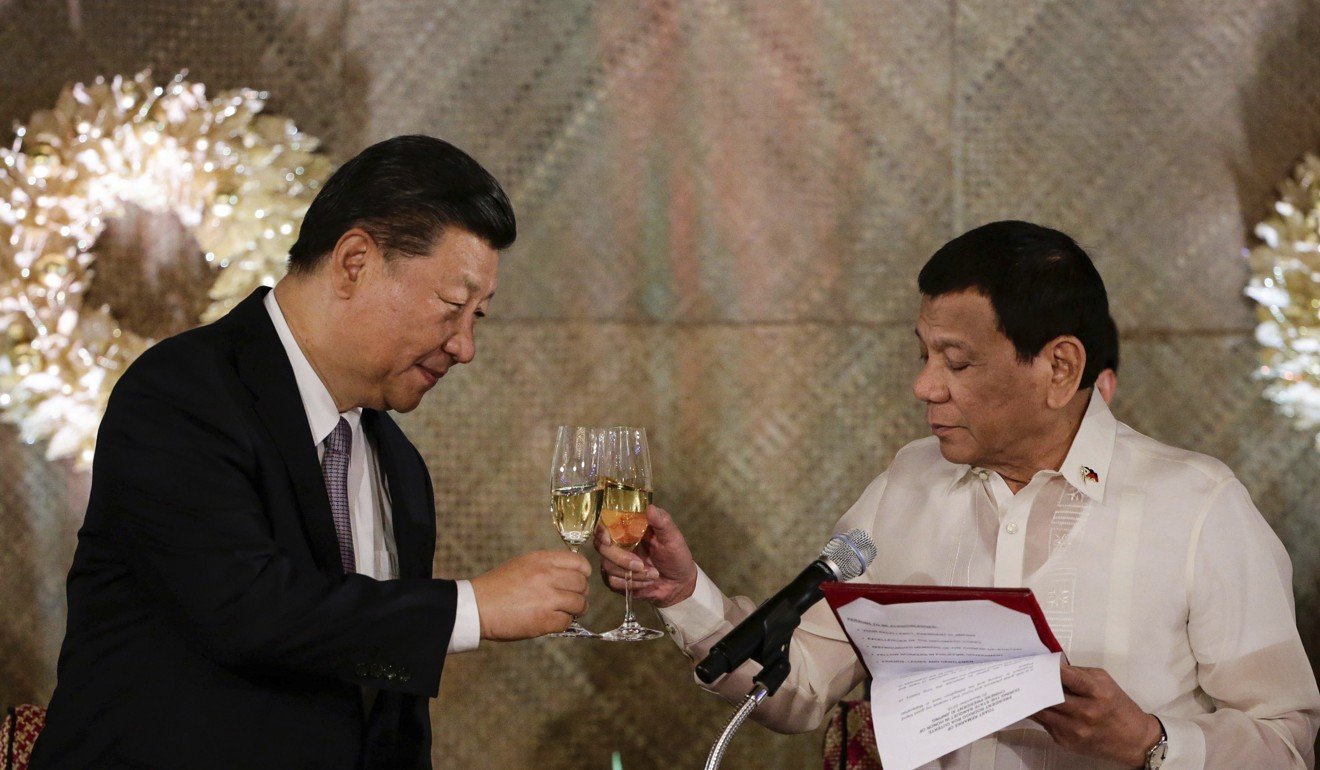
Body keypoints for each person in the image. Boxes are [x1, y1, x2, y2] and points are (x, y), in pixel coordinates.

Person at [597, 221, 1320, 769]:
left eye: (957, 361)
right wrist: (683, 594)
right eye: (923, 355)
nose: (924, 387)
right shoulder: (908, 484)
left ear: (1060, 367)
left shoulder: (1197, 506)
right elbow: (802, 686)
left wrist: (1154, 743)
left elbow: (1289, 743)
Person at [32, 135, 591, 769]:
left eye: (478, 317)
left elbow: (383, 706)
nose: (465, 346)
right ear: (355, 261)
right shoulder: (182, 392)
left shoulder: (400, 465)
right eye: (452, 306)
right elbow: (246, 610)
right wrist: (473, 607)